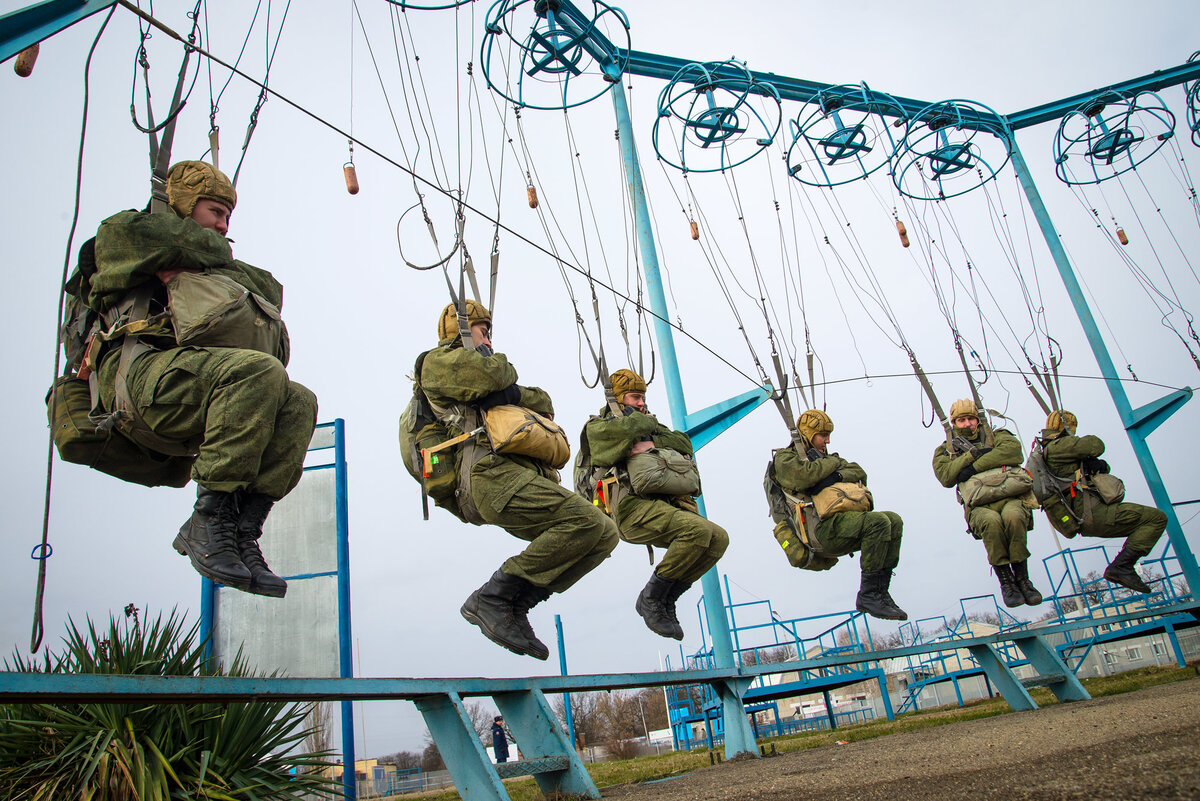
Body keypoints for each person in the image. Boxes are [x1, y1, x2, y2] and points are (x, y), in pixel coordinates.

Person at [66, 160, 316, 597]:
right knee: (259, 370)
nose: (222, 226)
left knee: (299, 401)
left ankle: (240, 531)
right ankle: (209, 519)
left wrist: (190, 264)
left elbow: (268, 287)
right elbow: (134, 240)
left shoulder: (194, 252)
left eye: (227, 217)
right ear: (181, 204)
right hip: (138, 379)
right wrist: (196, 256)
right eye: (215, 212)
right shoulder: (128, 232)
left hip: (191, 385)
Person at [416, 300, 619, 660]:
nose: (489, 339)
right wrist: (505, 386)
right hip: (486, 474)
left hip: (513, 474)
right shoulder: (436, 363)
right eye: (483, 330)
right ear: (462, 332)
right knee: (585, 521)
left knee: (604, 533)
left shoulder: (478, 367)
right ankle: (492, 598)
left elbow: (542, 400)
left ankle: (513, 605)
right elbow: (498, 374)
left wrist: (508, 393)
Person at [577, 369, 728, 640]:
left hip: (659, 506)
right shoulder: (598, 428)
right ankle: (651, 599)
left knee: (718, 539)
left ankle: (665, 600)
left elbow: (683, 442)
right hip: (629, 510)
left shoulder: (649, 425)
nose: (641, 403)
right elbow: (622, 432)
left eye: (643, 397)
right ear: (617, 398)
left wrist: (647, 441)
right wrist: (640, 430)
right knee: (698, 532)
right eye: (635, 397)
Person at [766, 409, 908, 621]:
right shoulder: (786, 459)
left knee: (893, 521)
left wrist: (835, 475)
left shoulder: (824, 458)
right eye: (823, 435)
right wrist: (831, 468)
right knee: (877, 523)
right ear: (808, 432)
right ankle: (868, 596)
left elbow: (858, 471)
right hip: (819, 530)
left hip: (840, 522)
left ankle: (879, 592)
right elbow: (805, 477)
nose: (828, 440)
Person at [1037, 410, 1167, 593]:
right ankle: (1122, 566)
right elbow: (1096, 444)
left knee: (1149, 520)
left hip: (1083, 515)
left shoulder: (1048, 448)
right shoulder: (1061, 445)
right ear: (1067, 426)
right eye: (1073, 427)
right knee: (1156, 518)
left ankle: (1123, 566)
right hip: (1092, 513)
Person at [932, 398, 1041, 608]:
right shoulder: (945, 449)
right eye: (961, 420)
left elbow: (1013, 453)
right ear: (954, 423)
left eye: (971, 419)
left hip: (1009, 496)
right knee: (991, 523)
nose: (967, 424)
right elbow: (946, 476)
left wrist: (971, 467)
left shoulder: (998, 435)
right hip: (979, 505)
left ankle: (1023, 579)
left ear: (978, 419)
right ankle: (1006, 582)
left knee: (1015, 517)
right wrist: (970, 456)